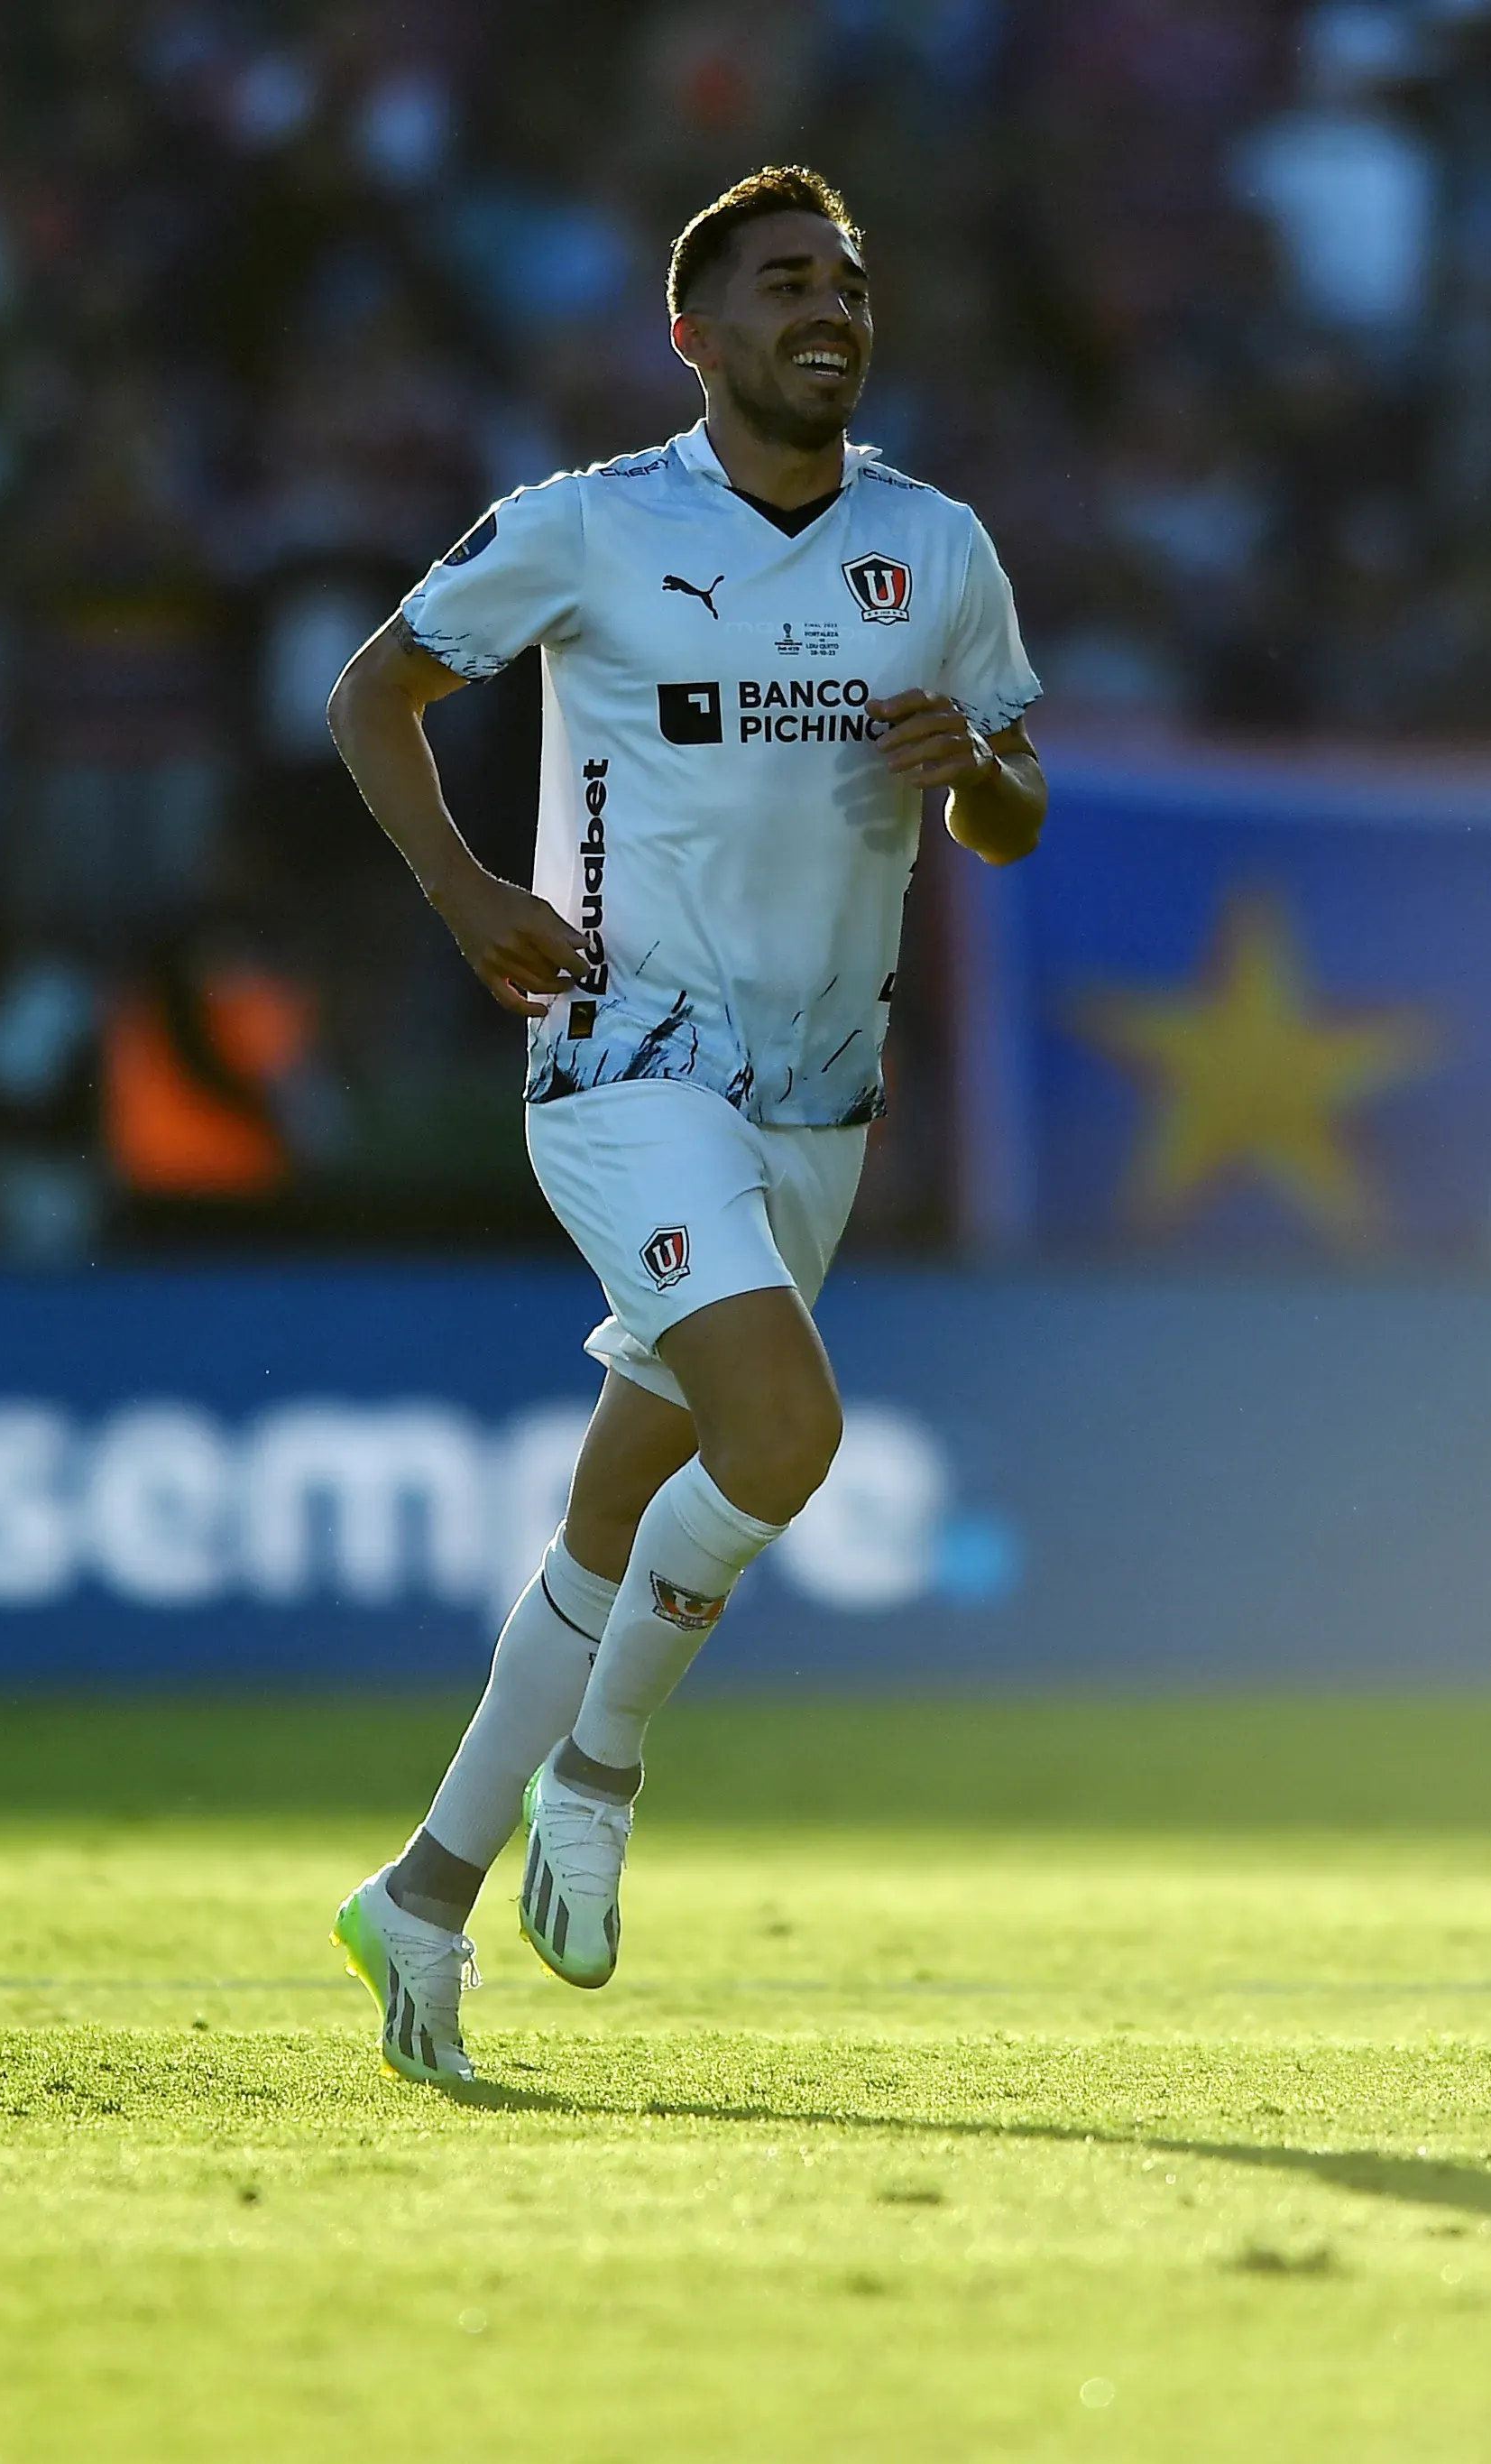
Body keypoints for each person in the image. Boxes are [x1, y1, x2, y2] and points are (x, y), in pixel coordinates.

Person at [320, 164, 1046, 2087]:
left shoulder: (934, 546)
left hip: (820, 1093)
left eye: (849, 284)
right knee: (785, 1434)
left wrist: (977, 765)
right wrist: (468, 894)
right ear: (695, 335)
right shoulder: (589, 523)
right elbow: (373, 694)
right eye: (785, 282)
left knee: (607, 1518)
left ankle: (419, 1895)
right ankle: (603, 1770)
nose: (829, 309)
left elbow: (1013, 809)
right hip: (624, 1061)